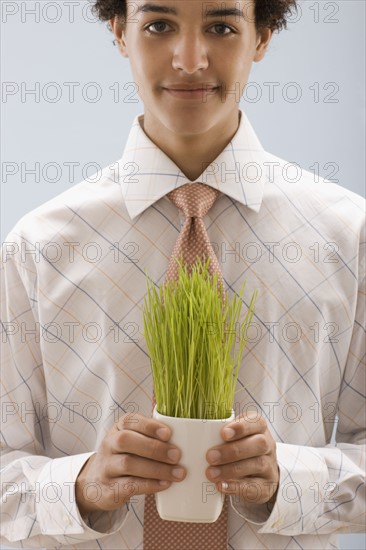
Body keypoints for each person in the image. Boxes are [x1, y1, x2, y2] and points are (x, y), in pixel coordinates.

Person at [1, 0, 365, 548]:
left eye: (221, 27)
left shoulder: (348, 235)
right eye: (159, 25)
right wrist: (80, 486)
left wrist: (290, 482)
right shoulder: (39, 246)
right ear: (120, 32)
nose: (190, 60)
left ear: (262, 37)